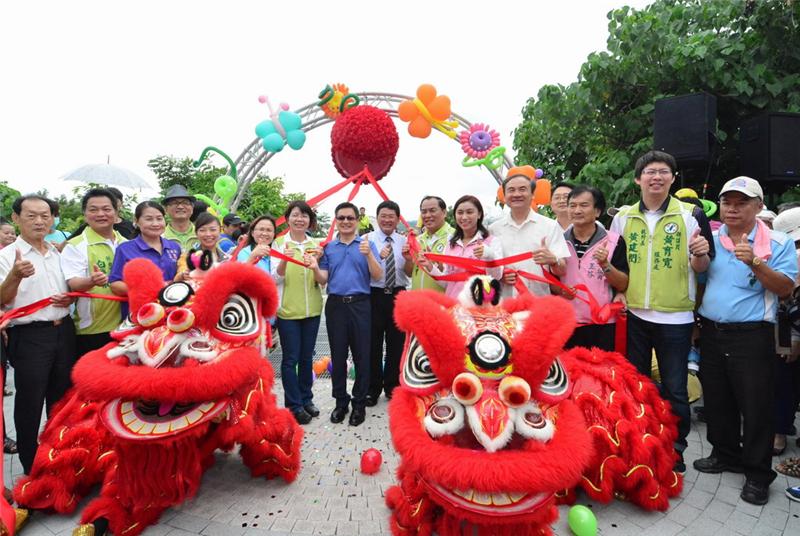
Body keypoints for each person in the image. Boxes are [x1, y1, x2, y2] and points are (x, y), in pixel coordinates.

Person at [693, 176, 797, 505]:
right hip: (711, 330)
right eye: (727, 202)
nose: (732, 209)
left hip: (752, 335)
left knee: (756, 407)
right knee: (718, 399)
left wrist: (754, 260)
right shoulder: (710, 236)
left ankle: (757, 474)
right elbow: (700, 278)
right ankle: (725, 454)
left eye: (741, 203)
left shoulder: (777, 242)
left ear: (758, 206)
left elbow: (785, 289)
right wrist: (697, 259)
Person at [609, 151, 713, 473]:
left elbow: (705, 267)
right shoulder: (623, 217)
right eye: (650, 172)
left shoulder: (691, 214)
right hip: (636, 316)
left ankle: (676, 448)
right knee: (637, 384)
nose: (657, 177)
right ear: (638, 179)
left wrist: (699, 255)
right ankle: (641, 441)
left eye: (664, 172)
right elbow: (615, 265)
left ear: (672, 178)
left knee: (675, 387)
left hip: (676, 318)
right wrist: (620, 293)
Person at [0, 195, 76, 474]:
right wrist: (16, 276)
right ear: (16, 218)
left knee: (61, 400)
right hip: (30, 337)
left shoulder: (56, 253)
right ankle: (31, 467)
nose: (40, 221)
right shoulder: (7, 258)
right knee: (30, 402)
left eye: (45, 215)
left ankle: (58, 455)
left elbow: (65, 291)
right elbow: (1, 300)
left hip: (64, 331)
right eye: (31, 216)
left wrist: (69, 299)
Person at [307, 202, 382, 427]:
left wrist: (368, 256)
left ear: (357, 220)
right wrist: (313, 267)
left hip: (361, 304)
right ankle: (341, 402)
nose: (346, 222)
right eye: (341, 218)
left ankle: (359, 403)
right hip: (336, 305)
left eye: (350, 218)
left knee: (362, 356)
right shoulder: (329, 248)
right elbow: (323, 280)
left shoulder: (367, 245)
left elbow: (377, 276)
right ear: (336, 221)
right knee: (338, 356)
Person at [272, 202, 323, 425]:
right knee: (290, 358)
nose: (299, 219)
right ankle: (293, 404)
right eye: (295, 215)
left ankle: (306, 398)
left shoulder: (316, 245)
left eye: (304, 216)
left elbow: (321, 281)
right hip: (288, 311)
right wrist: (284, 259)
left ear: (309, 220)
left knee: (306, 357)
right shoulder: (279, 243)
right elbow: (275, 278)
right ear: (288, 219)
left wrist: (316, 263)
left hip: (311, 309)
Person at [561, 185, 628, 351]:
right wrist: (560, 290)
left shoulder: (614, 241)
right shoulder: (557, 241)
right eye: (572, 205)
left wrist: (605, 264)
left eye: (584, 205)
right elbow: (550, 282)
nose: (577, 210)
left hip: (602, 323)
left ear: (597, 211)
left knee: (601, 372)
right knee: (570, 373)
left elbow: (623, 284)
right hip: (567, 323)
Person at [61, 188, 127, 357]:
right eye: (93, 209)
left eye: (106, 209)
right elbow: (73, 282)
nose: (100, 214)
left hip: (126, 324)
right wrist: (91, 281)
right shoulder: (75, 246)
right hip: (92, 329)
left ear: (116, 211)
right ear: (84, 214)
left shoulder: (126, 244)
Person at [489, 166, 570, 297]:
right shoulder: (494, 229)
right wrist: (499, 275)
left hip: (538, 304)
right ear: (504, 196)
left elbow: (562, 269)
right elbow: (487, 267)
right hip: (504, 305)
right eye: (511, 190)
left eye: (522, 189)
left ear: (532, 194)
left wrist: (553, 260)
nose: (516, 194)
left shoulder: (550, 226)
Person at [366, 200, 410, 406]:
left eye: (391, 216)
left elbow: (409, 272)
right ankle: (372, 388)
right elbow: (363, 270)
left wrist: (410, 258)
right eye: (383, 215)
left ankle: (392, 386)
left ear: (397, 219)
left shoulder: (405, 241)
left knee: (396, 344)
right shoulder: (367, 240)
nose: (387, 220)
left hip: (398, 295)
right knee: (372, 344)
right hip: (373, 295)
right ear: (377, 217)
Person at [427, 195, 502, 299]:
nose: (464, 217)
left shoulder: (491, 241)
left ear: (479, 214)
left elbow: (496, 277)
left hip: (479, 307)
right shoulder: (450, 244)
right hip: (454, 306)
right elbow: (447, 282)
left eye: (469, 212)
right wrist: (430, 266)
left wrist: (489, 256)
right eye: (460, 212)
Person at [771, 207, 800, 457]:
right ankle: (780, 429)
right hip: (790, 331)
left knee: (785, 383)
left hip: (791, 333)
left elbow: (788, 297)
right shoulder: (790, 252)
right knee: (785, 382)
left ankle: (780, 432)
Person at [109, 201, 181, 300]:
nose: (155, 224)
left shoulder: (174, 247)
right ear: (137, 221)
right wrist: (147, 290)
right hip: (140, 309)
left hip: (173, 305)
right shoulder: (125, 249)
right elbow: (115, 284)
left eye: (159, 219)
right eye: (149, 219)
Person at [403, 196, 453, 292]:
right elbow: (409, 274)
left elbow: (455, 280)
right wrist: (408, 260)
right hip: (417, 302)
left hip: (442, 304)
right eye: (424, 212)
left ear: (444, 213)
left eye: (432, 210)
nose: (427, 215)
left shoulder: (454, 238)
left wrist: (435, 265)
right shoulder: (417, 239)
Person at [175, 212, 229, 284]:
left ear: (220, 231)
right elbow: (177, 278)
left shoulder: (227, 259)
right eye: (202, 230)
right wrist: (183, 275)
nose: (208, 234)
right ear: (196, 233)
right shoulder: (188, 256)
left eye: (213, 230)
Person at [162, 185, 197, 251]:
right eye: (174, 203)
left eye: (185, 203)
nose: (180, 206)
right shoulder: (160, 237)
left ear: (192, 208)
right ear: (166, 209)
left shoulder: (203, 234)